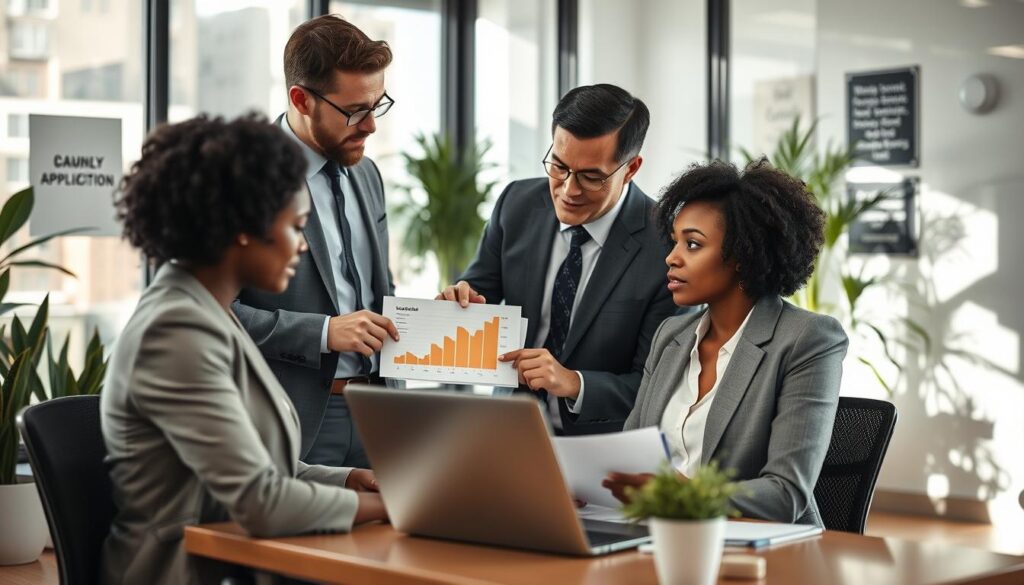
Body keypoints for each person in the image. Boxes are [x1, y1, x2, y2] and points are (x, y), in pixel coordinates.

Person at [101, 114, 387, 584]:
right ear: (244, 229)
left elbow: (252, 465)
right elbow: (261, 502)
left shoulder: (208, 312)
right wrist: (388, 506)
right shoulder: (174, 332)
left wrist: (344, 479)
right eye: (296, 227)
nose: (300, 247)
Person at [602, 159, 848, 526]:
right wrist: (595, 483)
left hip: (760, 551)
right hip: (655, 535)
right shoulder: (672, 336)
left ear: (742, 255)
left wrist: (677, 494)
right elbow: (631, 451)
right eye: (675, 242)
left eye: (693, 244)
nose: (672, 257)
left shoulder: (807, 340)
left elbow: (786, 493)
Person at [439, 84, 676, 435]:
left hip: (604, 449)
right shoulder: (516, 203)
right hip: (507, 430)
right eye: (559, 166)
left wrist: (574, 383)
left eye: (591, 177)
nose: (568, 190)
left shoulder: (667, 247)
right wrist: (459, 299)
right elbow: (479, 290)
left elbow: (658, 386)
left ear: (631, 168)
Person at [232, 15, 398, 468]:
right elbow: (207, 311)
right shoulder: (238, 177)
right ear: (301, 100)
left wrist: (435, 315)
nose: (370, 127)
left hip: (382, 419)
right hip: (289, 423)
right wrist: (324, 334)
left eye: (377, 106)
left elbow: (379, 293)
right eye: (355, 111)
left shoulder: (368, 174)